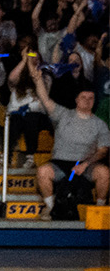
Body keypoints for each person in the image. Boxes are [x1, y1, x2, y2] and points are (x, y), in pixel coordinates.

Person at [30, 59, 110, 215]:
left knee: (104, 173)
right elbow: (45, 100)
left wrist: (85, 164)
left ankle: (99, 210)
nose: (87, 101)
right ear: (76, 100)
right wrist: (38, 80)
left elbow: (102, 151)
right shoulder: (63, 114)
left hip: (86, 164)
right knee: (43, 171)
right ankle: (50, 206)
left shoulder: (100, 124)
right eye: (83, 98)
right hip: (60, 163)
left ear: (94, 101)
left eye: (90, 98)